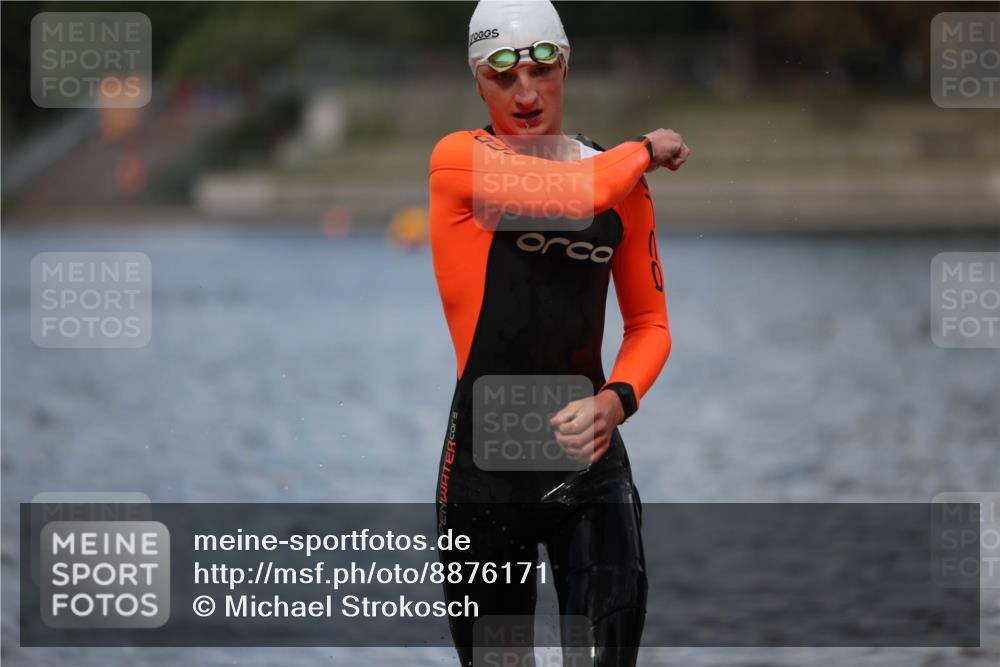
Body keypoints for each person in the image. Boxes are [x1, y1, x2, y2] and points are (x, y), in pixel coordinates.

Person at [429, 1, 688, 664]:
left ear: (565, 66)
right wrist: (645, 149)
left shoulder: (622, 181)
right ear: (476, 81)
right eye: (501, 76)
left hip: (589, 460)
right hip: (487, 471)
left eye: (543, 69)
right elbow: (576, 195)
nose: (525, 92)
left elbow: (650, 325)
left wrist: (616, 400)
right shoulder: (459, 161)